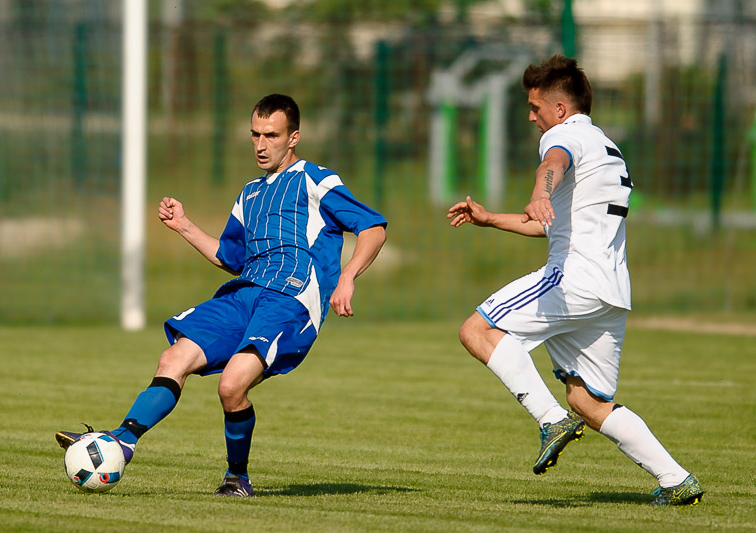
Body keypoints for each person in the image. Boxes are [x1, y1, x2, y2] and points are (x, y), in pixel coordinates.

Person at [56, 93, 387, 497]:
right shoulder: (250, 193)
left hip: (290, 299)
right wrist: (184, 226)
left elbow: (372, 227)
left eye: (271, 135)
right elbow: (229, 257)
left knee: (231, 386)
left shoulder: (316, 180)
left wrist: (348, 276)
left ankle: (237, 478)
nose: (261, 144)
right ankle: (122, 442)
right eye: (255, 134)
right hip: (243, 294)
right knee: (173, 358)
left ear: (294, 137)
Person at [447, 55, 703, 506]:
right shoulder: (605, 146)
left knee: (477, 330)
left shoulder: (564, 137)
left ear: (561, 109)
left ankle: (550, 419)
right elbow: (550, 223)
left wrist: (539, 191)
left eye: (535, 107)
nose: (531, 117)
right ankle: (676, 480)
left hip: (574, 279)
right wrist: (490, 219)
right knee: (588, 402)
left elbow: (553, 164)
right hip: (610, 292)